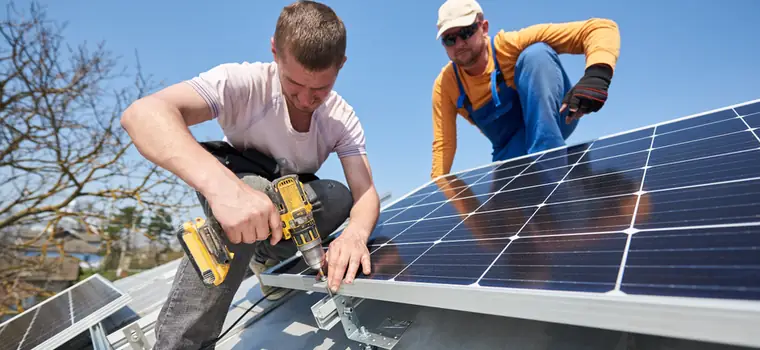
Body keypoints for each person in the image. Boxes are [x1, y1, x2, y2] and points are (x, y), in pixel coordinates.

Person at [120, 1, 380, 348]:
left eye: (319, 89)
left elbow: (365, 192)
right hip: (234, 182)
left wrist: (356, 235)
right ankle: (180, 343)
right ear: (275, 50)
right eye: (293, 83)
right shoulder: (241, 83)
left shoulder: (340, 117)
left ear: (341, 66)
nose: (305, 99)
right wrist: (224, 190)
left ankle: (263, 257)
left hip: (289, 201)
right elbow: (142, 114)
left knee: (338, 196)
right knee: (257, 189)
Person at [430, 0, 621, 180]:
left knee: (536, 54)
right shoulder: (446, 85)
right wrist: (435, 194)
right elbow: (443, 146)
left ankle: (552, 172)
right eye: (449, 40)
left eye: (466, 33)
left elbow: (601, 28)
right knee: (507, 205)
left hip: (555, 116)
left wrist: (597, 74)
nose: (459, 44)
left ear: (484, 27)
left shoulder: (509, 45)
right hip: (511, 148)